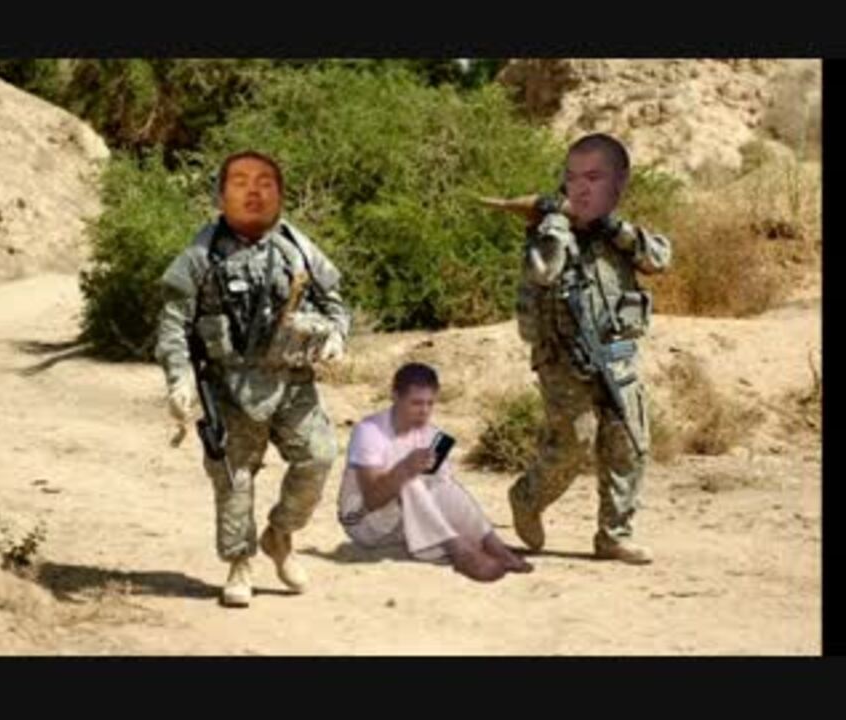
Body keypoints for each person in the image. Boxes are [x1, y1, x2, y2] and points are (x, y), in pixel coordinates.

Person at [155, 150, 350, 607]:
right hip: (228, 386)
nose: (253, 191)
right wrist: (180, 379)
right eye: (240, 182)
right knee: (234, 478)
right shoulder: (200, 257)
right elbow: (173, 324)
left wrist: (336, 335)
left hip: (293, 382)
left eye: (265, 182)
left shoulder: (299, 250)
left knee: (319, 457)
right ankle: (239, 563)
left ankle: (280, 535)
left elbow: (335, 304)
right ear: (221, 195)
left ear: (280, 194)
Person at [508, 133, 672, 565]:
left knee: (628, 442)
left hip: (616, 355)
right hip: (564, 360)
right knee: (573, 444)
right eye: (575, 181)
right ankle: (527, 498)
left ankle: (614, 536)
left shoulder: (617, 235)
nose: (584, 192)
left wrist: (615, 229)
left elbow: (660, 259)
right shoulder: (548, 237)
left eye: (595, 182)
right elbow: (544, 272)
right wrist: (557, 225)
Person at [338, 362, 532, 582]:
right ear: (395, 396)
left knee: (445, 485)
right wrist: (405, 468)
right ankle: (459, 551)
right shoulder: (369, 431)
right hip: (362, 520)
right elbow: (372, 500)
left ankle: (493, 545)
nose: (424, 411)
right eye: (416, 403)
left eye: (430, 403)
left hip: (403, 519)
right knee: (410, 481)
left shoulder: (432, 434)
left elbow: (443, 494)